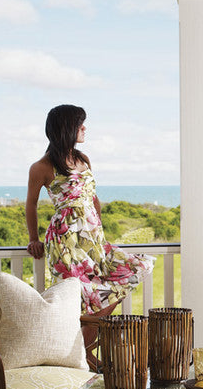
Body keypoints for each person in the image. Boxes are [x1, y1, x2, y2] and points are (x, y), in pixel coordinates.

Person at [26, 104, 155, 332]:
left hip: (93, 237)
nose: (85, 128)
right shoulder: (41, 167)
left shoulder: (83, 159)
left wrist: (99, 231)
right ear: (67, 128)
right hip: (66, 240)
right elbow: (31, 204)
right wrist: (33, 239)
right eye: (80, 124)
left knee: (136, 269)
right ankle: (83, 347)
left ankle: (84, 345)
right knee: (77, 295)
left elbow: (93, 198)